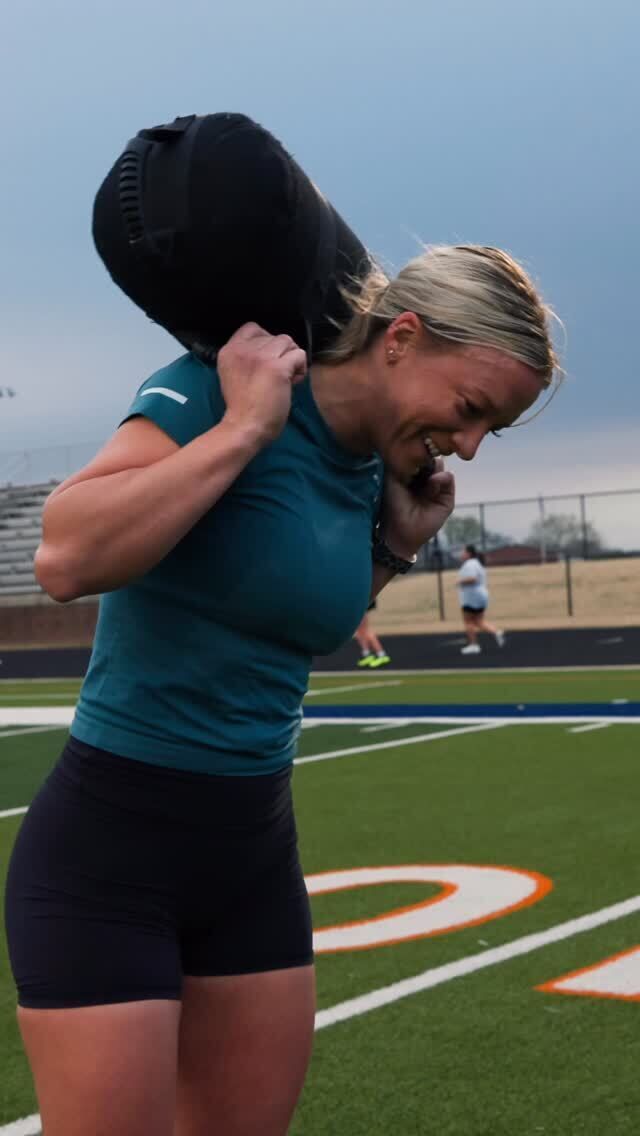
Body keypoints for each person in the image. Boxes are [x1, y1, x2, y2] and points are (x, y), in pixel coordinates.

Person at [4, 244, 558, 1136]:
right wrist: (241, 431)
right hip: (110, 860)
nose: (468, 445)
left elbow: (286, 617)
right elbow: (64, 559)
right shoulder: (230, 385)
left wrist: (395, 547)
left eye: (492, 429)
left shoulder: (375, 471)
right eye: (470, 409)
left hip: (252, 858)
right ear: (401, 339)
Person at [457, 543, 505, 654]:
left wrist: (459, 582)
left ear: (469, 553)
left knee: (468, 621)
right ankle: (496, 632)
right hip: (480, 595)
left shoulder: (470, 564)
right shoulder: (477, 563)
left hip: (472, 597)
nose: (461, 554)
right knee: (478, 621)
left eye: (463, 552)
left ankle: (474, 645)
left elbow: (472, 578)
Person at [353, 599, 391, 667]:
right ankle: (367, 654)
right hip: (358, 602)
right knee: (359, 630)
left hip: (361, 601)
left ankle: (382, 655)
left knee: (365, 630)